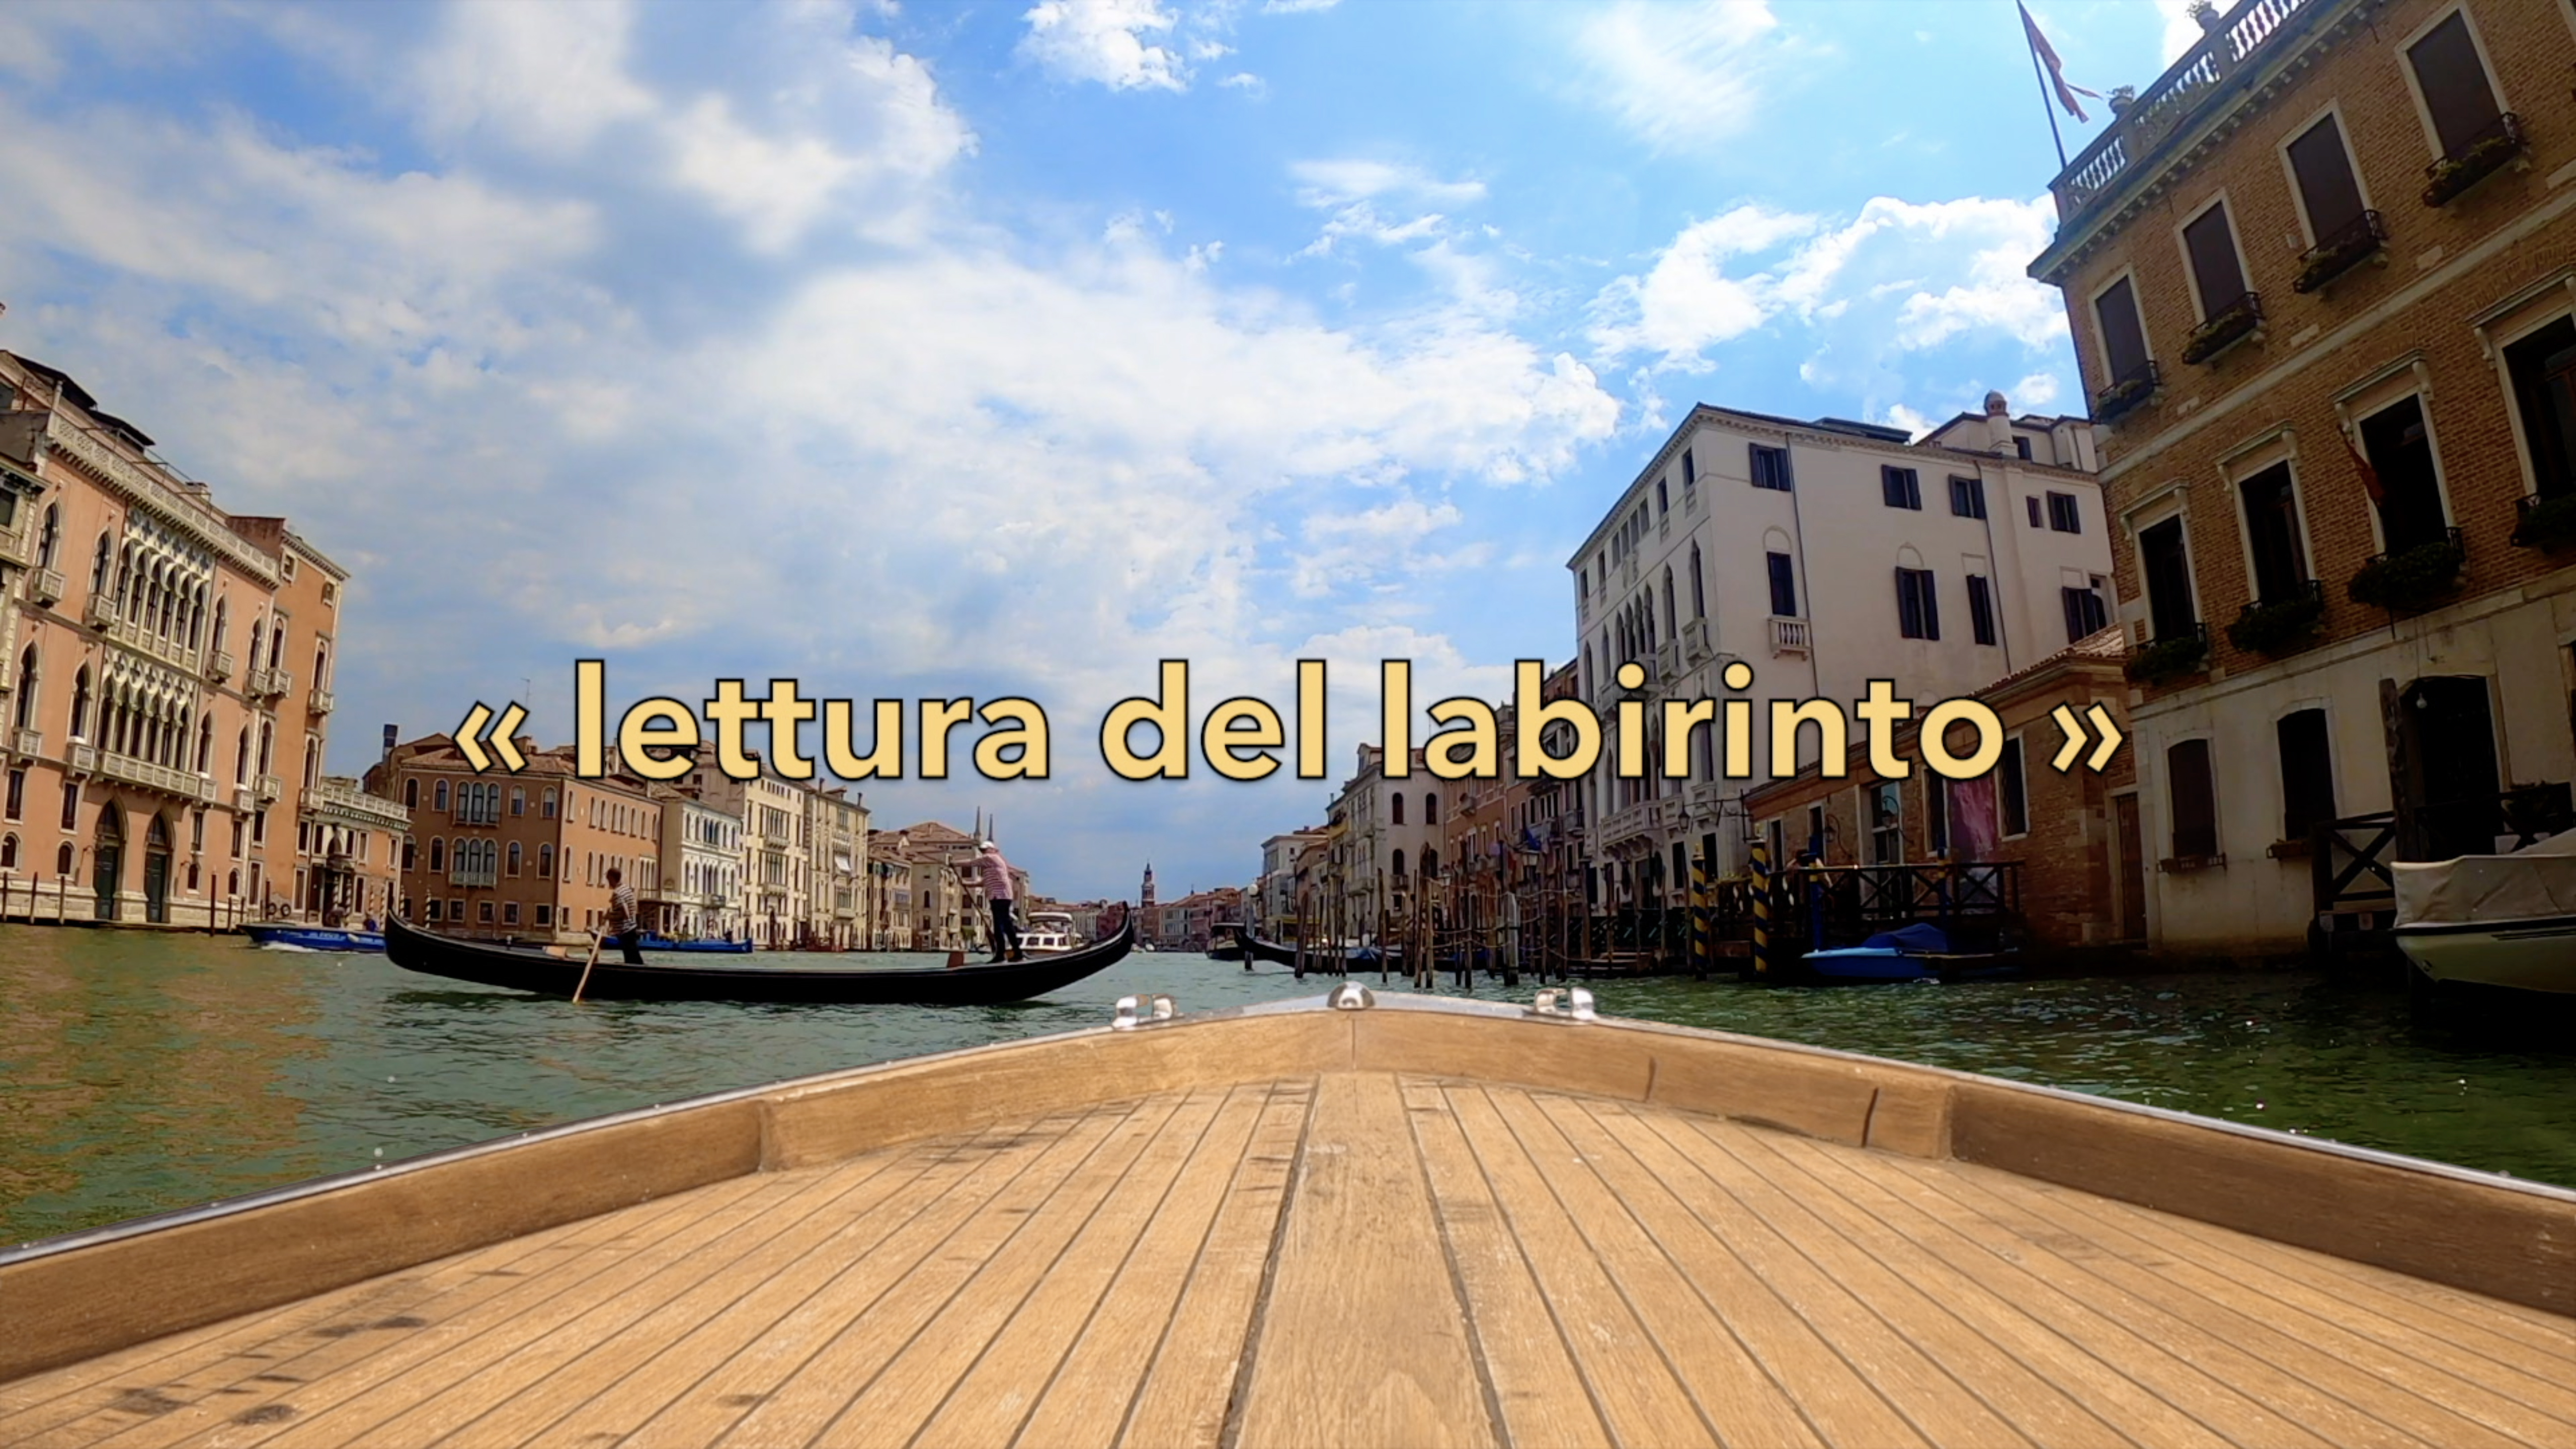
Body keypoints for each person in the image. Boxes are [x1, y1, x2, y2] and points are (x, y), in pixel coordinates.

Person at [965, 841, 1021, 962]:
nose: (983, 853)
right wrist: (967, 884)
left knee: (1002, 926)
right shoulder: (990, 868)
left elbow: (972, 863)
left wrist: (954, 863)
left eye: (985, 850)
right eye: (982, 851)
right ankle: (1009, 954)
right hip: (997, 897)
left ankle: (1009, 954)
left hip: (1001, 897)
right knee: (1002, 927)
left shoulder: (992, 858)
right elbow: (983, 883)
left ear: (992, 850)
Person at [604, 866, 644, 963]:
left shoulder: (617, 893)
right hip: (631, 928)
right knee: (634, 957)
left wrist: (609, 917)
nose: (609, 883)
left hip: (625, 931)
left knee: (631, 958)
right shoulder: (627, 889)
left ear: (612, 878)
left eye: (609, 880)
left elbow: (625, 914)